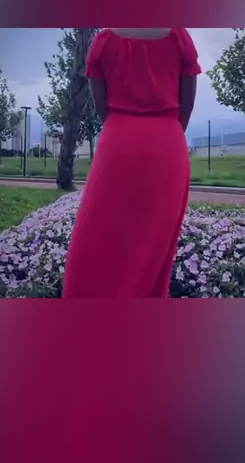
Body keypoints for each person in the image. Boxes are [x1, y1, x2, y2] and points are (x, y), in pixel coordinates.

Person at [62, 28, 201, 297]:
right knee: (154, 250)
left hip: (117, 144)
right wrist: (165, 134)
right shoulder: (178, 37)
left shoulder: (104, 41)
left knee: (97, 239)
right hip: (167, 146)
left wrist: (125, 130)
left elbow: (102, 107)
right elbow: (187, 104)